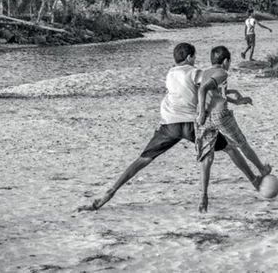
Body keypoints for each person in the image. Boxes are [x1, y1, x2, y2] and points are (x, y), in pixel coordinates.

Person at [78, 43, 228, 211]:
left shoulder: (170, 74)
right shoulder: (195, 72)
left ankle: (109, 193)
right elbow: (209, 83)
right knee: (226, 148)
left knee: (143, 159)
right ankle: (204, 196)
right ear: (189, 58)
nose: (195, 60)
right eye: (194, 57)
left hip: (169, 123)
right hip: (190, 123)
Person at [195, 46, 273, 212]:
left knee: (207, 159)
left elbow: (212, 92)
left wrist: (236, 100)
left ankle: (203, 196)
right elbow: (203, 90)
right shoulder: (223, 73)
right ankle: (262, 169)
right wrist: (202, 112)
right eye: (229, 62)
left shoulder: (205, 72)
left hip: (206, 120)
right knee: (242, 144)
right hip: (219, 116)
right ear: (226, 61)